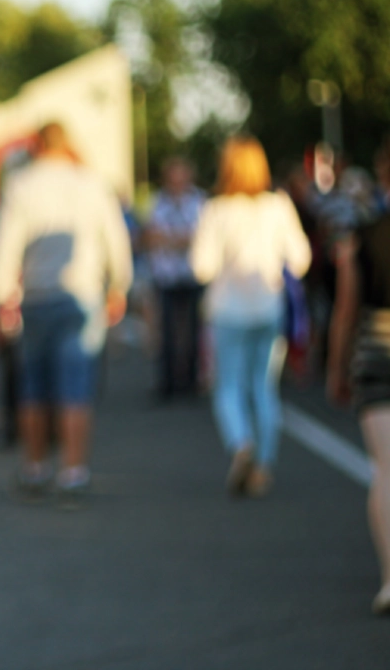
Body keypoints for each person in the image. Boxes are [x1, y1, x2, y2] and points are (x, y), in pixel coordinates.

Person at [0, 122, 132, 505]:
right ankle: (73, 469)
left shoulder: (21, 185)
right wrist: (119, 284)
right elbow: (114, 238)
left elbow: (6, 244)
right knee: (75, 384)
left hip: (35, 294)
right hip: (82, 294)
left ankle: (34, 465)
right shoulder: (91, 183)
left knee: (33, 385)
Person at [190, 136, 311, 498]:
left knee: (228, 387)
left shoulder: (216, 210)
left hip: (228, 310)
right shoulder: (277, 206)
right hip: (268, 307)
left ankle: (241, 443)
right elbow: (301, 259)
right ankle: (263, 465)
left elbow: (201, 268)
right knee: (264, 388)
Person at [329, 187, 390, 615]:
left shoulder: (364, 237)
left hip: (376, 355)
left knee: (386, 470)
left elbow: (346, 310)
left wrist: (336, 367)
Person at [146, 158, 207, 398]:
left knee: (193, 331)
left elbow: (200, 237)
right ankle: (168, 382)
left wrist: (170, 239)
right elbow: (150, 236)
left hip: (192, 275)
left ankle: (191, 381)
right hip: (166, 276)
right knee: (167, 332)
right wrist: (179, 239)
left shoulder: (199, 201)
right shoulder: (157, 201)